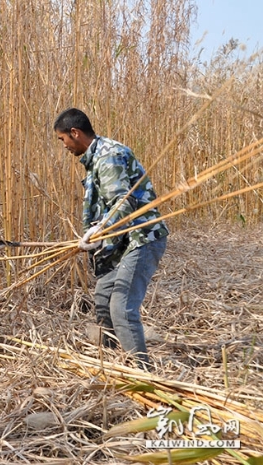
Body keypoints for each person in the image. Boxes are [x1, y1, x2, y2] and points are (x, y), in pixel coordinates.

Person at [54, 108, 168, 370]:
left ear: (75, 133)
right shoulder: (96, 157)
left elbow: (122, 203)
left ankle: (142, 373)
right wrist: (96, 232)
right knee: (104, 300)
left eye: (63, 140)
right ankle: (114, 366)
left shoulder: (108, 157)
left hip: (141, 238)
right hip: (121, 242)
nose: (64, 146)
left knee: (121, 307)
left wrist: (97, 231)